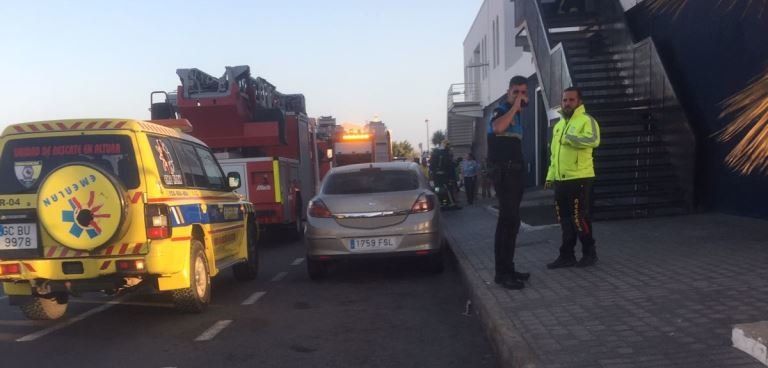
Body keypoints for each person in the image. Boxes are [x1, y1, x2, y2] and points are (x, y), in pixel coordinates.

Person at [545, 87, 601, 269]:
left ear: (579, 102)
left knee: (579, 218)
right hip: (561, 180)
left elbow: (594, 140)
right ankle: (567, 255)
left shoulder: (587, 120)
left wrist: (570, 138)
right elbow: (554, 154)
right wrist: (550, 177)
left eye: (571, 100)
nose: (567, 103)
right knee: (564, 219)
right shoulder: (558, 125)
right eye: (565, 100)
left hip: (580, 178)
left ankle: (589, 253)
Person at [488, 75, 531, 290]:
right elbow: (497, 128)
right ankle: (501, 274)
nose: (520, 97)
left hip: (515, 175)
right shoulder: (501, 109)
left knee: (513, 223)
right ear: (508, 92)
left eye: (523, 93)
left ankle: (509, 268)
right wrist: (513, 107)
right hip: (504, 175)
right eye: (516, 92)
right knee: (507, 222)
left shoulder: (518, 116)